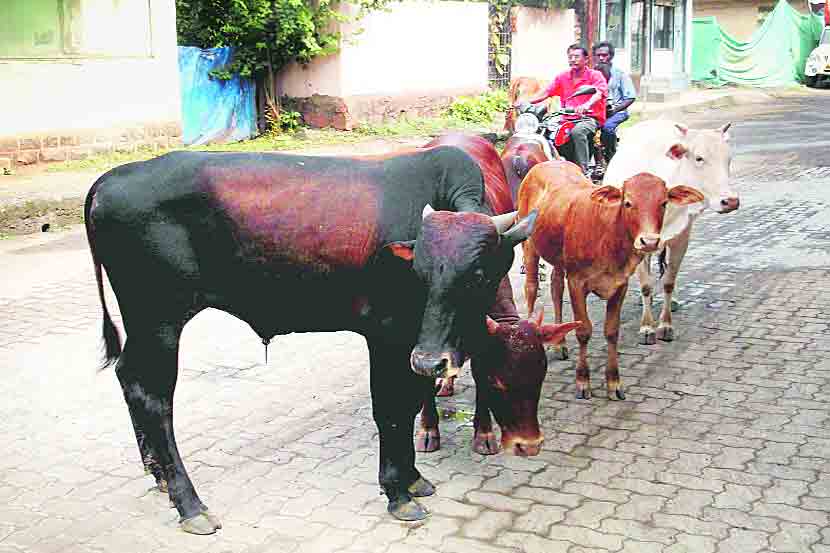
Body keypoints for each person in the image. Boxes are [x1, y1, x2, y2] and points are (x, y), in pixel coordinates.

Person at [514, 44, 607, 176]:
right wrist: (525, 101)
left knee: (577, 132)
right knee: (546, 131)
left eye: (576, 56)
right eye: (570, 57)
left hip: (589, 118)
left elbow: (599, 92)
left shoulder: (595, 75)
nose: (573, 59)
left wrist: (586, 105)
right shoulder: (562, 77)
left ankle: (583, 171)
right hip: (566, 118)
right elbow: (546, 93)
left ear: (586, 59)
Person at [593, 41, 637, 161]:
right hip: (596, 112)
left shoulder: (620, 75)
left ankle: (611, 156)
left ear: (611, 56)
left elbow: (630, 97)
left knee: (607, 128)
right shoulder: (591, 74)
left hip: (617, 112)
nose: (601, 58)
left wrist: (615, 109)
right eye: (598, 55)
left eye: (604, 55)